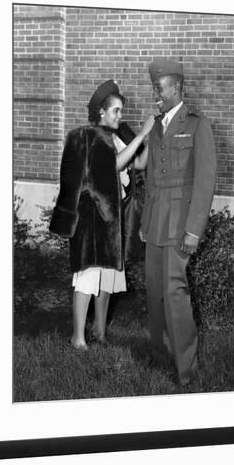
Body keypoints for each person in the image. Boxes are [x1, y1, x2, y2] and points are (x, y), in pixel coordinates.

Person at [50, 80, 154, 349]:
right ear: (101, 112)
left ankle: (99, 329)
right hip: (91, 216)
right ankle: (78, 337)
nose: (120, 116)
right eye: (116, 111)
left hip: (112, 215)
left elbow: (140, 163)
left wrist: (149, 138)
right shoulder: (90, 136)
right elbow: (113, 166)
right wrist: (142, 135)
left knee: (108, 275)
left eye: (121, 111)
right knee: (87, 275)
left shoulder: (118, 136)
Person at [140, 59, 217, 385]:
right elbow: (151, 179)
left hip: (180, 225)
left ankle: (186, 370)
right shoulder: (155, 126)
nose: (155, 93)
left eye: (160, 87)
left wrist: (193, 230)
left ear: (177, 88)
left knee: (175, 293)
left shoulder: (197, 125)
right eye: (154, 87)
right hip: (156, 222)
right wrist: (145, 223)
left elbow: (205, 180)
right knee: (154, 292)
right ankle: (160, 356)